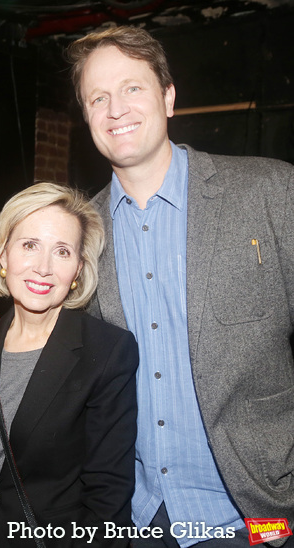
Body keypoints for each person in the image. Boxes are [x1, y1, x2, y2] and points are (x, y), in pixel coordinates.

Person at [67, 26, 294, 548]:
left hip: (257, 519)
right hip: (139, 518)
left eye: (132, 88)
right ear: (87, 118)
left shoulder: (269, 192)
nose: (115, 108)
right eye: (97, 97)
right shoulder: (82, 234)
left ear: (168, 97)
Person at [0, 182, 139, 547]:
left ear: (78, 270)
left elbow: (109, 496)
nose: (43, 268)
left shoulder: (106, 352)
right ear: (4, 254)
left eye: (62, 252)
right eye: (29, 245)